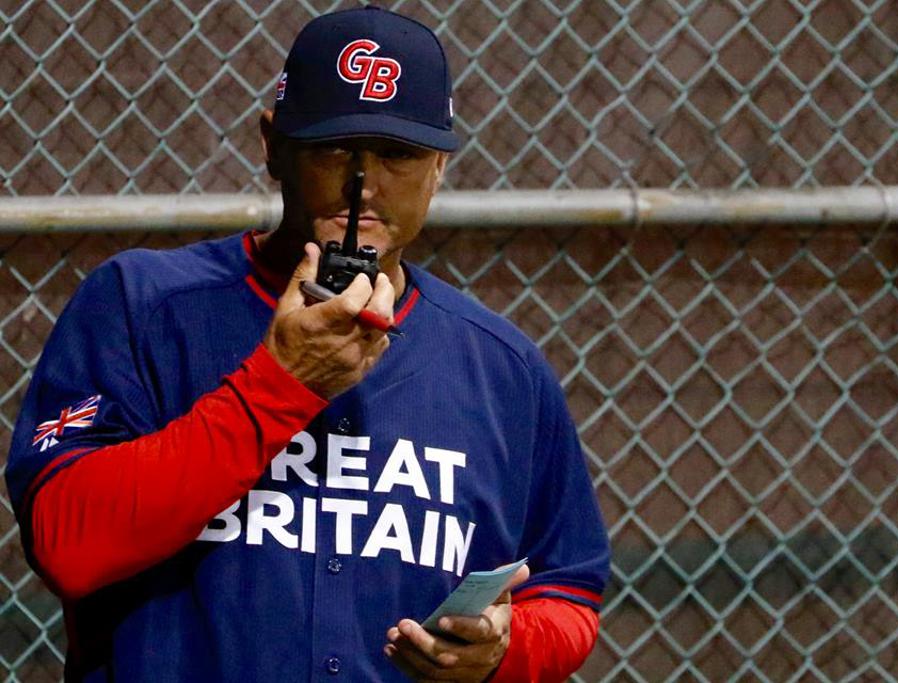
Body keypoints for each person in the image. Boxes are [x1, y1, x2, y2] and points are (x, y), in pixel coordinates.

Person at [5, 6, 610, 683]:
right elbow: (67, 541)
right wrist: (279, 385)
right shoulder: (142, 306)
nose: (364, 183)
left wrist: (505, 645)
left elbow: (568, 592)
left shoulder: (503, 367)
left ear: (439, 166)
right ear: (273, 144)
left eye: (398, 154)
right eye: (333, 148)